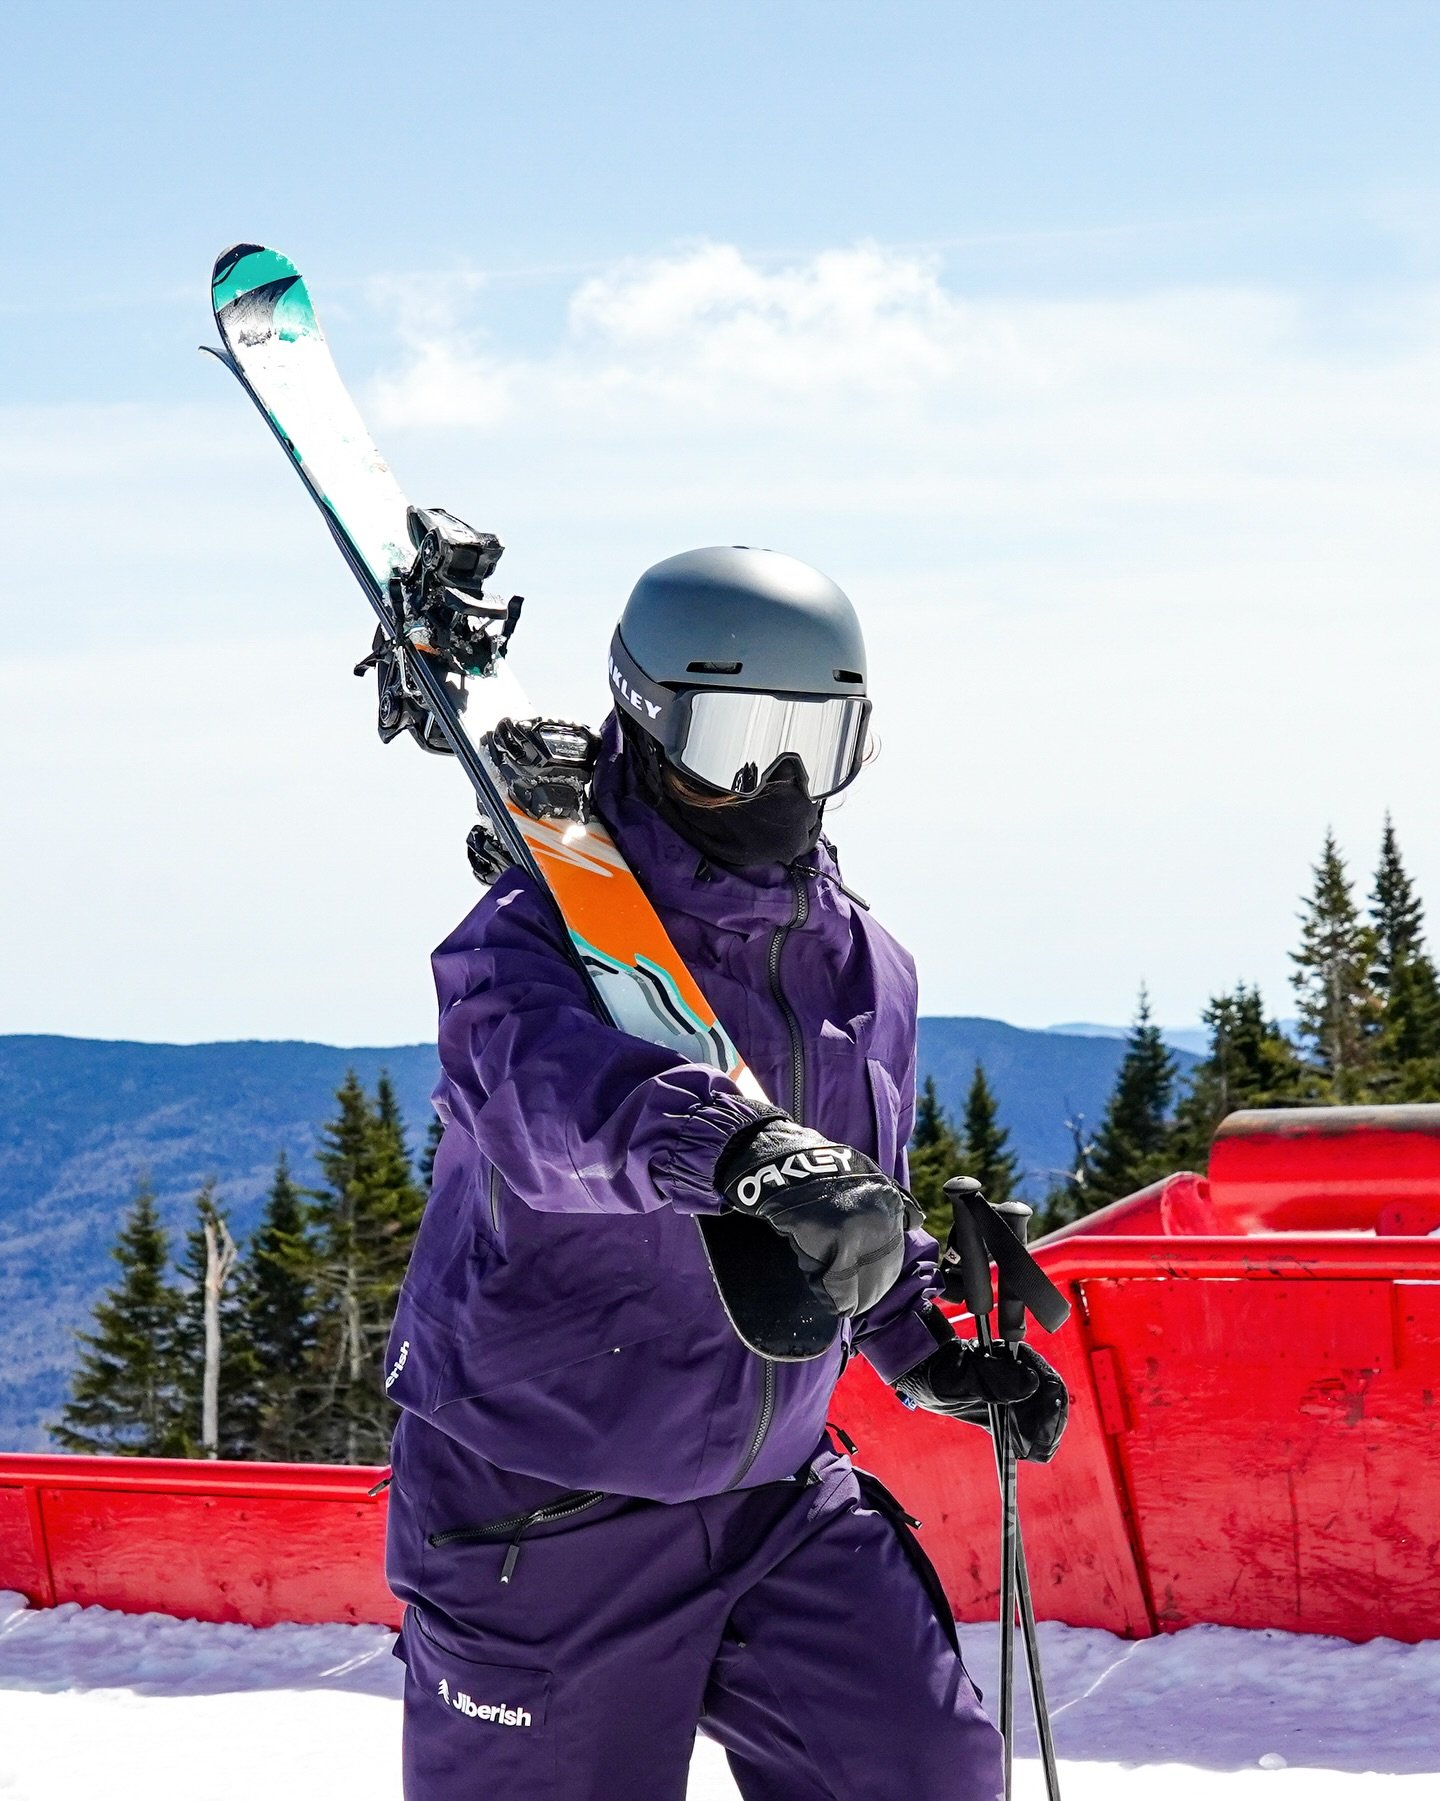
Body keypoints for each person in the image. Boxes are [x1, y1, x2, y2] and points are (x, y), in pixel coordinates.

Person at [384, 546, 1068, 1800]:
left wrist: (928, 1344)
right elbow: (545, 1114)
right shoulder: (528, 938)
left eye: (819, 739)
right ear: (649, 723)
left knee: (922, 1772)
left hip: (777, 1500)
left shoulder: (866, 969)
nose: (783, 783)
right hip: (543, 1512)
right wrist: (737, 1150)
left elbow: (847, 1200)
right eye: (739, 739)